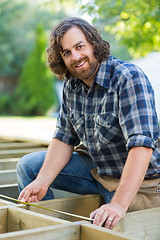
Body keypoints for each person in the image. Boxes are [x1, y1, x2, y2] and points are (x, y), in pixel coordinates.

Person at [17, 17, 160, 229]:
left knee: (114, 228)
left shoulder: (128, 77)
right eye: (66, 53)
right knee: (30, 168)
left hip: (139, 184)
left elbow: (141, 146)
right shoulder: (71, 86)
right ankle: (49, 232)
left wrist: (118, 205)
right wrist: (42, 182)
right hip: (99, 172)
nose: (75, 57)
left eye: (79, 46)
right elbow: (63, 138)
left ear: (93, 43)